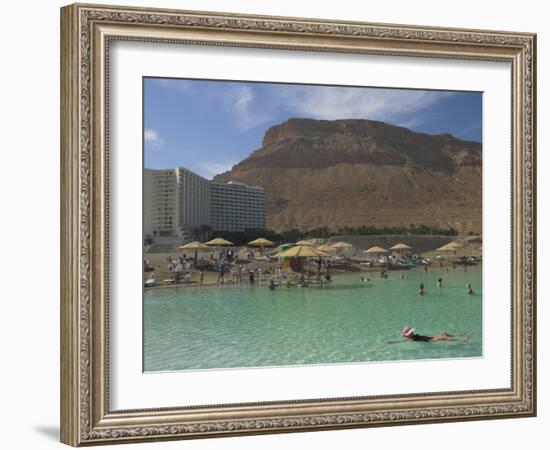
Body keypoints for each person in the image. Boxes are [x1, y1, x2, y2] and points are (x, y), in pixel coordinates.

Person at [401, 327, 468, 342]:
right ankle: (461, 340)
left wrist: (403, 334)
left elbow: (404, 336)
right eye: (411, 332)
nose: (412, 332)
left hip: (429, 337)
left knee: (444, 333)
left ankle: (458, 335)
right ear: (408, 334)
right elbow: (405, 340)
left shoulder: (411, 336)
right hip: (430, 340)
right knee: (444, 337)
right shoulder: (411, 338)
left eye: (412, 331)